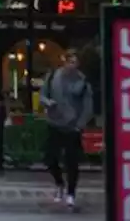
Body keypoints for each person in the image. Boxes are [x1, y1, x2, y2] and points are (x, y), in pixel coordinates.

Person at [41, 50, 93, 210]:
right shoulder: (52, 77)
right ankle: (59, 183)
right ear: (65, 62)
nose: (72, 66)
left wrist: (80, 124)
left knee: (72, 162)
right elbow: (43, 95)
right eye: (70, 62)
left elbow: (88, 105)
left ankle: (71, 193)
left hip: (72, 126)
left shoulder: (82, 82)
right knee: (49, 158)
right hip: (55, 122)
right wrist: (47, 102)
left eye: (75, 63)